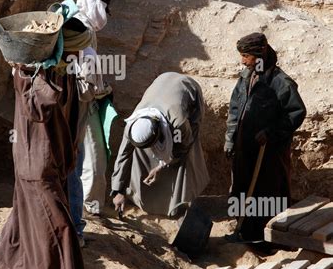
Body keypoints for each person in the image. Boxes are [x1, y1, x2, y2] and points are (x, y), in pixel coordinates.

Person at [0, 8, 87, 269]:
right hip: (37, 163)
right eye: (76, 52)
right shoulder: (34, 76)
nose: (79, 58)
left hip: (44, 159)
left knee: (26, 215)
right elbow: (38, 110)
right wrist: (35, 74)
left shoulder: (61, 73)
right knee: (57, 221)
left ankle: (0, 263)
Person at [224, 32, 306, 242]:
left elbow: (295, 113)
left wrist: (271, 132)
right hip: (245, 148)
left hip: (269, 153)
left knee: (266, 194)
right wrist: (230, 139)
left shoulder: (281, 82)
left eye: (246, 56)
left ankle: (266, 239)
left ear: (259, 54)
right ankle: (243, 231)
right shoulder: (245, 77)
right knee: (243, 188)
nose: (242, 60)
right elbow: (235, 110)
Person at [111, 72, 209, 217]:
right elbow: (123, 155)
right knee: (139, 152)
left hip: (189, 90)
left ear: (158, 132)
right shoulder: (132, 126)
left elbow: (183, 147)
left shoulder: (179, 122)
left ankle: (182, 202)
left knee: (185, 154)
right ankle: (139, 196)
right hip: (162, 81)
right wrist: (117, 191)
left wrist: (162, 165)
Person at [66, 0, 113, 244]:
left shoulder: (77, 22)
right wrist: (97, 90)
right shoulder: (80, 28)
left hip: (74, 103)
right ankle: (81, 217)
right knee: (88, 159)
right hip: (78, 106)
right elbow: (84, 75)